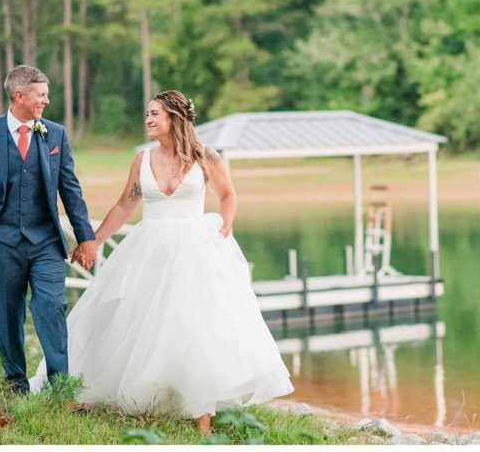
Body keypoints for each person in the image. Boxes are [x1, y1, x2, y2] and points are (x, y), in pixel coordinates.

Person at [29, 90, 293, 433]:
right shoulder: (142, 160)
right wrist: (92, 240)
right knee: (139, 320)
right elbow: (125, 205)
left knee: (197, 325)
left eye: (155, 114)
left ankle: (203, 414)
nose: (148, 120)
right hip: (150, 249)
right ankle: (140, 389)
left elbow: (227, 193)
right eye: (147, 114)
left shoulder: (205, 158)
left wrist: (226, 222)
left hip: (195, 250)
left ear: (175, 118)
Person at [0, 65, 97, 394]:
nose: (47, 100)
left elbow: (70, 189)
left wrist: (85, 237)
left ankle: (60, 387)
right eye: (41, 95)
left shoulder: (56, 134)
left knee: (51, 306)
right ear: (19, 95)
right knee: (8, 315)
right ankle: (16, 382)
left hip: (45, 240)